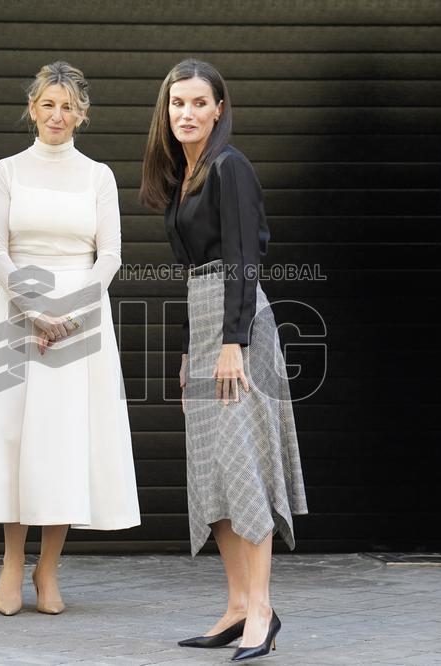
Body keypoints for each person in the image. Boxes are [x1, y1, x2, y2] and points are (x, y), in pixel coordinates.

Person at [0, 61, 140, 617]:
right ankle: (10, 562)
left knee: (64, 443)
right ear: (33, 108)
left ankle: (48, 568)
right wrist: (33, 314)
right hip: (19, 314)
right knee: (15, 439)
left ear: (82, 114)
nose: (58, 115)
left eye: (68, 106)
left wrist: (73, 316)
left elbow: (110, 255)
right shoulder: (8, 170)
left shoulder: (98, 175)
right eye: (48, 104)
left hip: (81, 319)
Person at [139, 59, 308, 662]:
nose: (185, 113)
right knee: (213, 472)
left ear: (218, 109)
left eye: (197, 103)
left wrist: (234, 341)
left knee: (245, 470)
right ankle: (237, 605)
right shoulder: (184, 174)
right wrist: (193, 347)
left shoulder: (229, 168)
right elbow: (194, 274)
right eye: (176, 103)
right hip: (208, 326)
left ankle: (262, 610)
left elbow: (241, 257)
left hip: (241, 329)